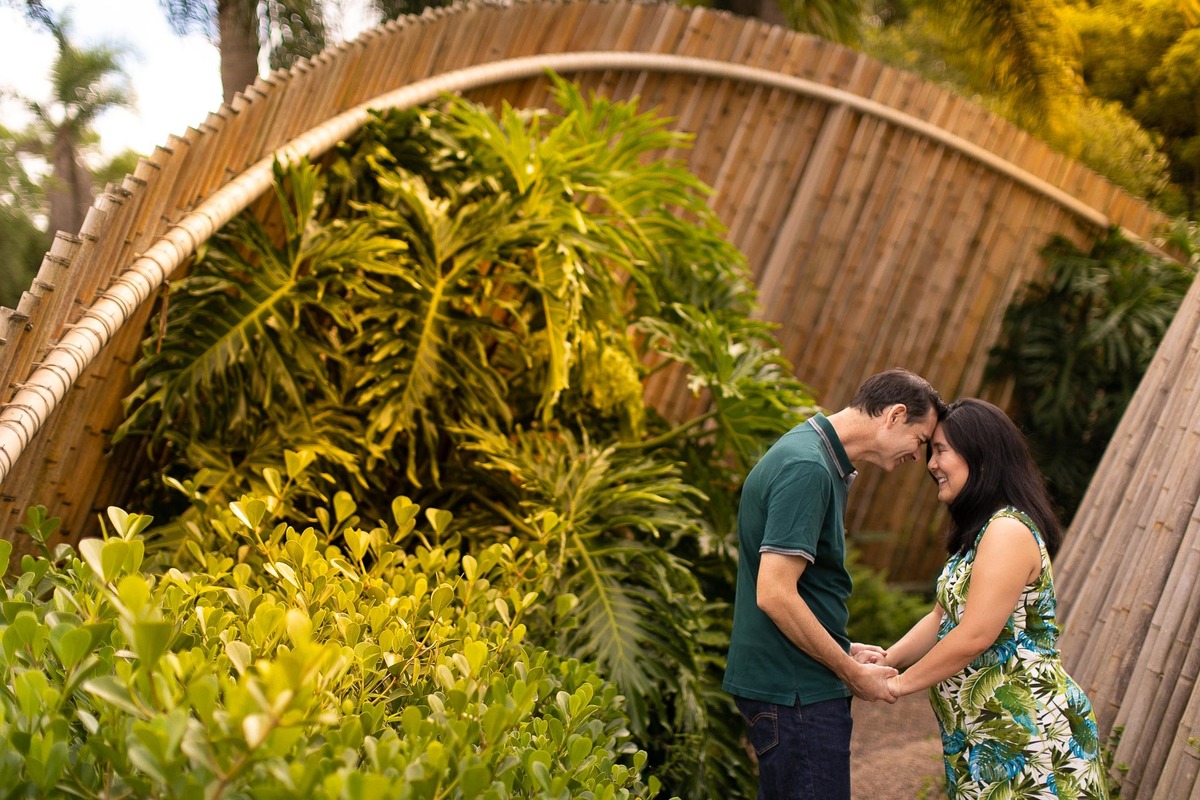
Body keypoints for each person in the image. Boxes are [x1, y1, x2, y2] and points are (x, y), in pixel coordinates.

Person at [863, 398, 1109, 799]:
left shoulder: (1007, 531)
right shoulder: (977, 535)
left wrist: (899, 686)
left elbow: (976, 634)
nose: (931, 464)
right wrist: (887, 660)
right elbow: (941, 617)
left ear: (980, 455)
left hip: (1029, 737)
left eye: (941, 450)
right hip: (987, 737)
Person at [723, 368, 946, 800]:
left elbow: (795, 589)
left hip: (795, 684)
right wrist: (851, 673)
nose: (919, 459)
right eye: (920, 441)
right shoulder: (808, 467)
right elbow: (774, 593)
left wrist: (842, 647)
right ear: (895, 415)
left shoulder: (814, 453)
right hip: (795, 693)